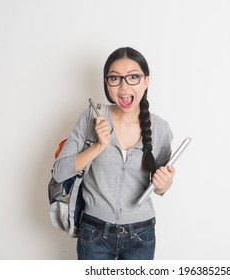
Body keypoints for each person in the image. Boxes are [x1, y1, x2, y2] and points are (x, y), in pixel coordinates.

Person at [52, 47, 175, 260]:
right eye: (115, 78)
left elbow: (160, 183)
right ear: (106, 83)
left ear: (146, 81)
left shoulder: (161, 128)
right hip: (94, 233)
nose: (124, 87)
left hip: (142, 234)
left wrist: (165, 185)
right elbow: (59, 173)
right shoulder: (92, 117)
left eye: (133, 77)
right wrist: (98, 146)